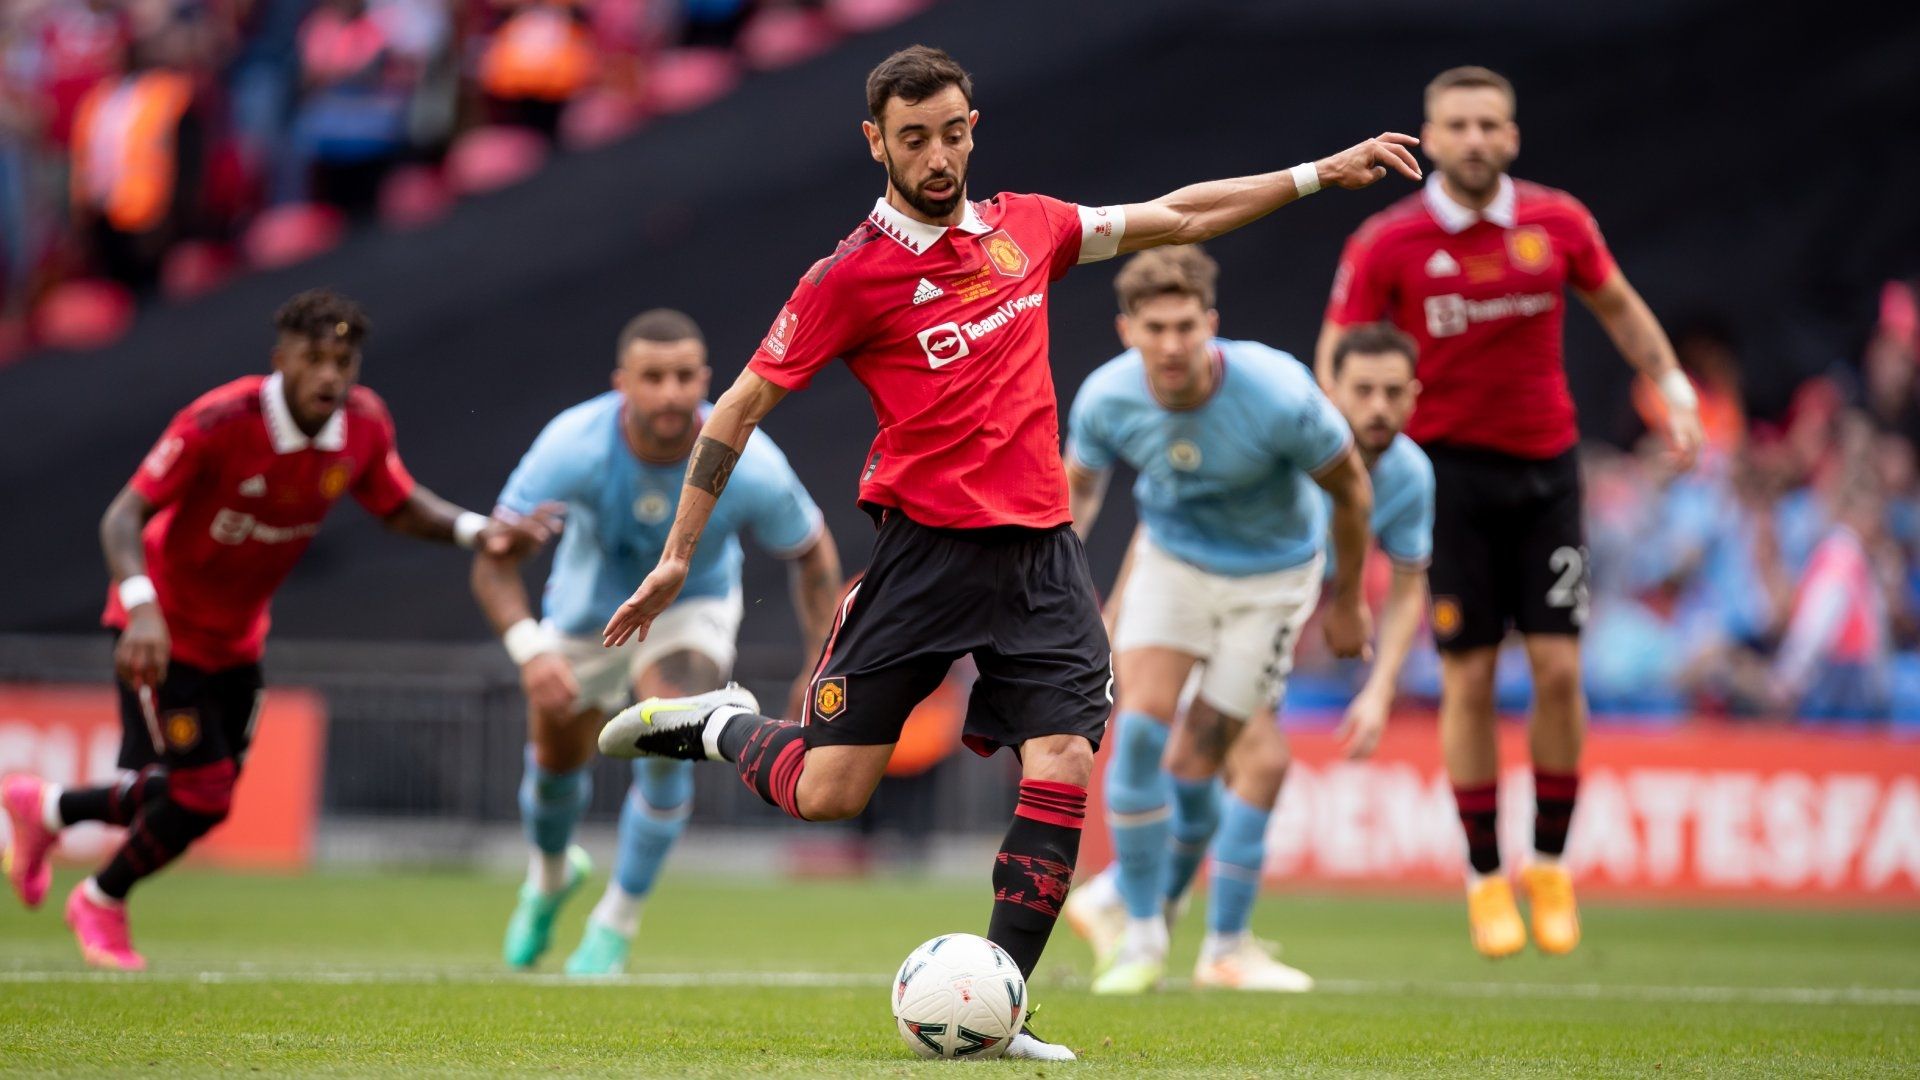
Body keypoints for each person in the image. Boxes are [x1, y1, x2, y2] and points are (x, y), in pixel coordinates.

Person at [595, 46, 1420, 1060]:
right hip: (922, 560)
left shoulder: (1028, 228)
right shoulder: (850, 276)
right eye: (912, 139)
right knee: (829, 792)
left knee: (1065, 757)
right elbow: (741, 404)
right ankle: (723, 725)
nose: (936, 156)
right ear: (875, 144)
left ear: (973, 125)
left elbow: (1178, 214)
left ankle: (1005, 1003)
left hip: (1039, 557)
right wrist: (679, 554)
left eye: (951, 132)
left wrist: (1314, 175)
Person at [0, 289, 561, 971]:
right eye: (314, 359)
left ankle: (45, 807)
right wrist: (142, 608)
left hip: (238, 638)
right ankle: (98, 899)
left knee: (204, 798)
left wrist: (481, 532)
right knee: (197, 790)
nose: (330, 375)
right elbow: (121, 518)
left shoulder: (362, 424)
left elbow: (395, 502)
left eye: (344, 361)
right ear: (281, 360)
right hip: (163, 630)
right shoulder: (219, 420)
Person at [1314, 66, 1702, 958]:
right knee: (1471, 680)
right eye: (1459, 125)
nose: (1476, 139)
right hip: (1444, 480)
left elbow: (1620, 308)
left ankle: (1551, 863)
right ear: (1431, 135)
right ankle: (1486, 875)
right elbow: (1337, 352)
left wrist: (1671, 384)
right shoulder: (1386, 243)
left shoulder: (1557, 223)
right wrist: (1341, 443)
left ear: (1513, 137)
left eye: (1491, 124)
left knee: (1562, 671)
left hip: (1545, 472)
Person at [1060, 316, 1432, 994]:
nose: (1376, 409)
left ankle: (1126, 903)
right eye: (1362, 391)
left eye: (1391, 393)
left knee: (1204, 765)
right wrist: (1118, 609)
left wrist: (1379, 690)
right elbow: (1177, 513)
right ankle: (1205, 940)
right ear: (1330, 391)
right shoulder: (1284, 430)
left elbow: (1409, 588)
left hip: (1266, 613)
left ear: (1414, 397)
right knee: (1256, 762)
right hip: (1203, 598)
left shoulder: (1408, 476)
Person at [471, 308, 841, 975]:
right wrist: (532, 651)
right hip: (587, 617)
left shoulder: (750, 460)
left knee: (671, 728)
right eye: (653, 377)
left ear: (705, 379)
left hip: (690, 611)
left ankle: (616, 923)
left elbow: (811, 553)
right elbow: (492, 557)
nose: (670, 392)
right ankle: (551, 877)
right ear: (623, 383)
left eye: (682, 377)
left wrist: (819, 665)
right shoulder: (572, 445)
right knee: (556, 762)